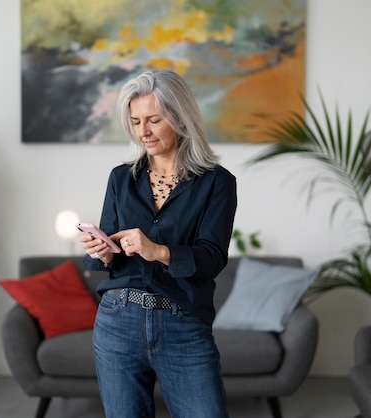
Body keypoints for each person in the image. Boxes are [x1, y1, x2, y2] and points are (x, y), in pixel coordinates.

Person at [80, 69, 237, 418]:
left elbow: (212, 258)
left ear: (180, 118)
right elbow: (103, 261)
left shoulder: (216, 183)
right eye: (136, 121)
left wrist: (158, 251)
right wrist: (100, 251)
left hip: (182, 322)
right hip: (117, 320)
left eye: (154, 120)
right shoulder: (121, 178)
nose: (143, 132)